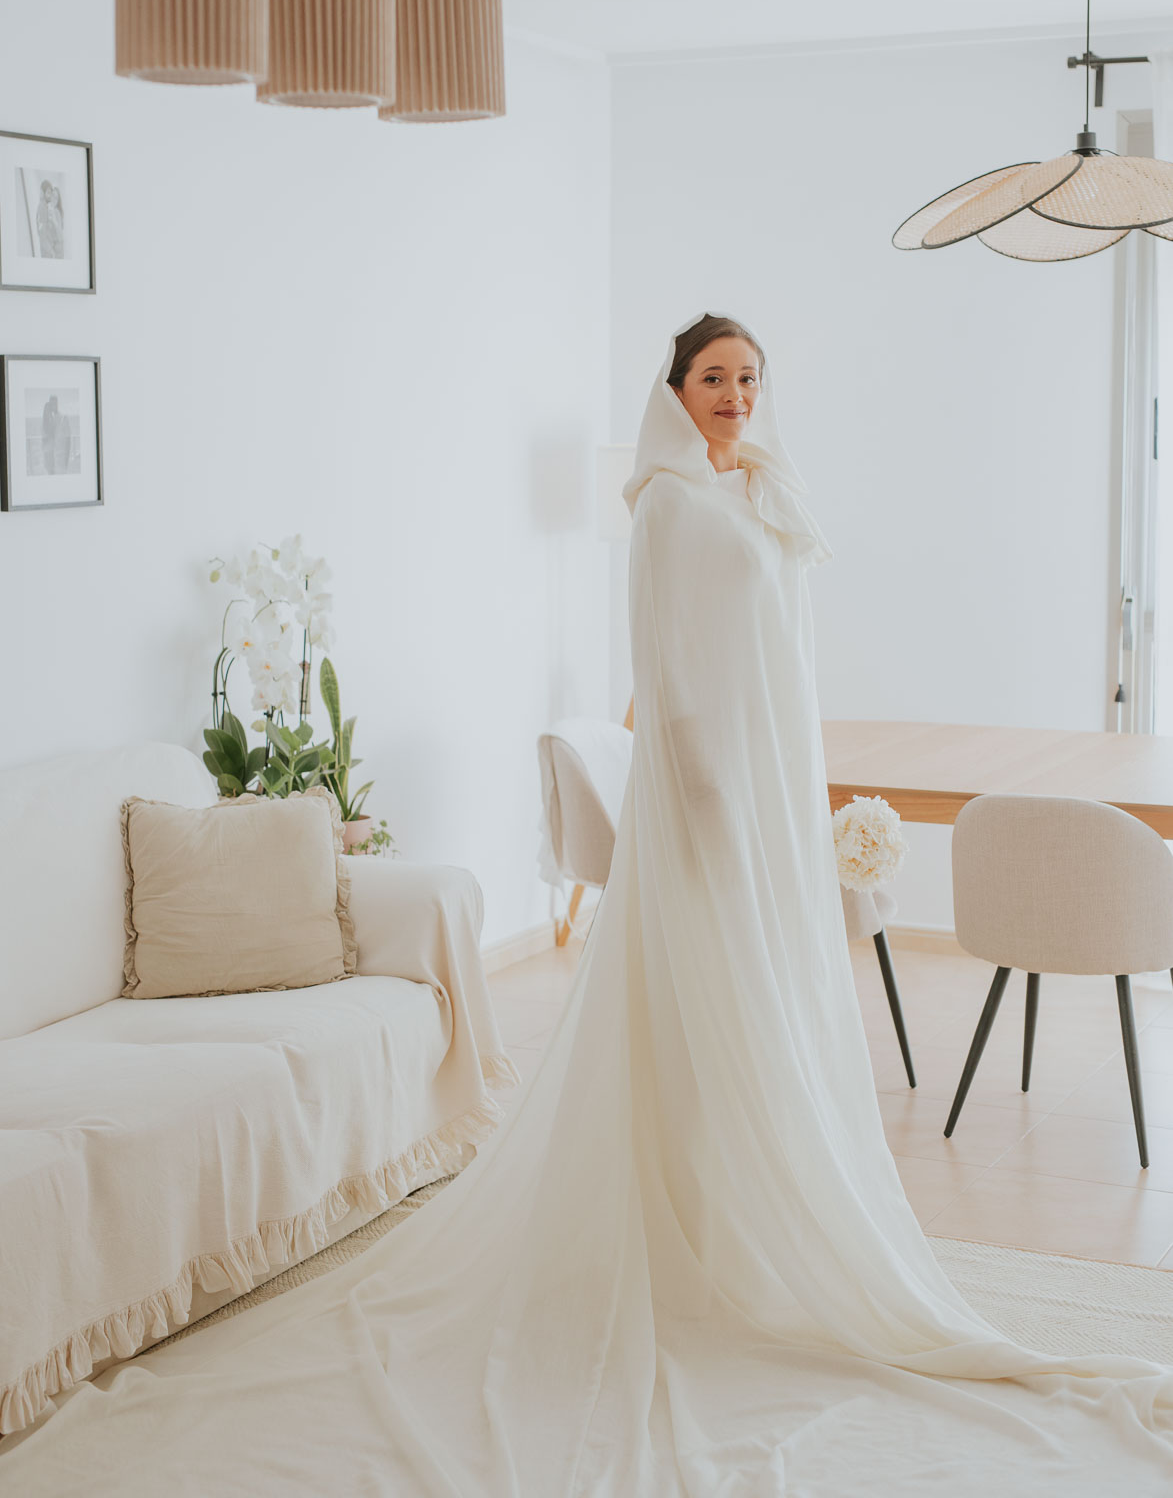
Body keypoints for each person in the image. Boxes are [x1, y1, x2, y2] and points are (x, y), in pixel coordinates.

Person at [4, 314, 1171, 1495]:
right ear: (674, 387)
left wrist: (778, 811)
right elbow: (667, 676)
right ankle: (698, 1239)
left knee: (760, 1020)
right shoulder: (664, 502)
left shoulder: (760, 483)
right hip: (710, 808)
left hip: (765, 800)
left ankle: (748, 1224)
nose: (735, 394)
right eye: (714, 376)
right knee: (711, 1013)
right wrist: (715, 810)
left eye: (750, 377)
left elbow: (778, 659)